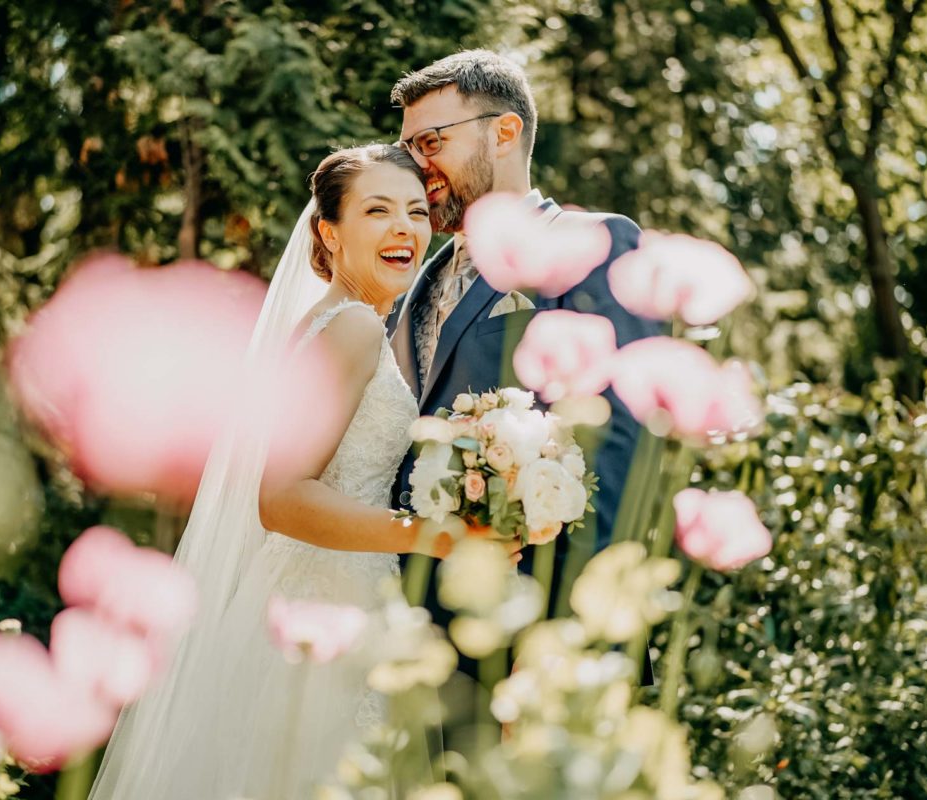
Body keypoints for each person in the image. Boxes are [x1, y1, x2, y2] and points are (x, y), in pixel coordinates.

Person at [87, 144, 516, 800]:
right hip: (329, 607)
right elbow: (282, 499)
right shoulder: (352, 332)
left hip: (307, 593)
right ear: (329, 232)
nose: (405, 228)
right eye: (377, 211)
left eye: (414, 210)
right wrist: (434, 533)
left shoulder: (326, 326)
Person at [387, 50, 662, 680]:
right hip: (416, 641)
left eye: (430, 141)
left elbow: (617, 448)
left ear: (504, 131)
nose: (415, 166)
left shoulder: (594, 244)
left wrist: (569, 646)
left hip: (533, 640)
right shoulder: (407, 283)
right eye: (406, 150)